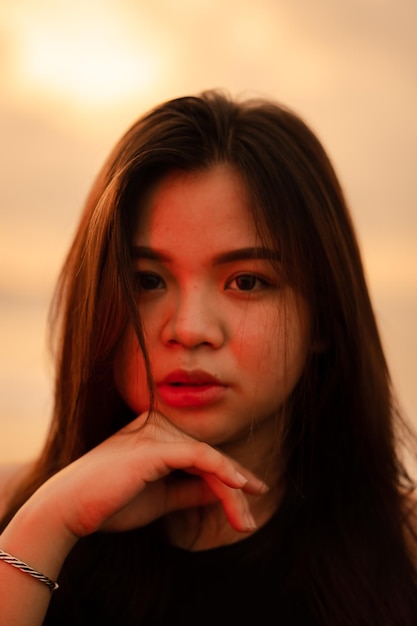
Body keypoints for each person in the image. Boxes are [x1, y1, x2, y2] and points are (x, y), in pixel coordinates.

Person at [0, 90, 416, 625]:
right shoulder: (19, 510)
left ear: (324, 319)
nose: (190, 329)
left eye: (246, 281)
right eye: (148, 280)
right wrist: (48, 526)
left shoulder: (402, 550)